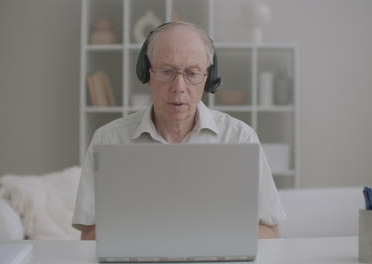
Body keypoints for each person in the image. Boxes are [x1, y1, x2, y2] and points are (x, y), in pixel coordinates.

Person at [72, 21, 286, 240]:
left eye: (192, 73)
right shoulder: (108, 140)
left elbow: (270, 232)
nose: (179, 87)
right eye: (167, 71)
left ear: (208, 78)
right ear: (147, 74)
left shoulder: (241, 138)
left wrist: (206, 237)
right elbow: (89, 235)